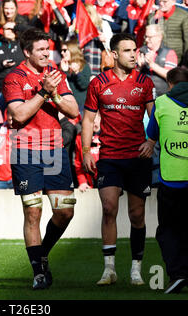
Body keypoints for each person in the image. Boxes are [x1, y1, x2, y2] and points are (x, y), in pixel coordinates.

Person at [3, 28, 79, 289]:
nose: (47, 53)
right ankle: (38, 273)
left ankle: (42, 253)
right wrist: (44, 93)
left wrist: (54, 93)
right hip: (26, 151)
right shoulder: (14, 77)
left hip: (55, 150)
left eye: (48, 48)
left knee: (65, 212)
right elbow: (20, 115)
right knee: (33, 213)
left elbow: (73, 110)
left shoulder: (55, 74)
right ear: (27, 52)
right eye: (41, 49)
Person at [82, 33, 156, 286]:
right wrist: (84, 151)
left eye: (135, 49)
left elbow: (154, 119)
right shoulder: (98, 83)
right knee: (108, 208)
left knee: (137, 215)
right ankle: (109, 269)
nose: (134, 54)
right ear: (114, 54)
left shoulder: (145, 83)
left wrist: (151, 141)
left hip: (138, 158)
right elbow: (88, 120)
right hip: (110, 157)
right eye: (127, 50)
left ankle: (136, 269)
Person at [146, 66, 188, 294]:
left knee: (168, 230)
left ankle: (178, 273)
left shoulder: (161, 104)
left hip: (172, 180)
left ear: (170, 84)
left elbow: (151, 136)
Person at [137, 24, 178, 97]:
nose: (146, 39)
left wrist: (151, 64)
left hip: (162, 96)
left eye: (150, 37)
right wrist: (139, 67)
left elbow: (172, 76)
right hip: (141, 94)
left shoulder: (169, 53)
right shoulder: (139, 51)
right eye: (145, 36)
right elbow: (130, 76)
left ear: (159, 37)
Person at [60, 39, 91, 117]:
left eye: (64, 50)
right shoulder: (61, 66)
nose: (62, 53)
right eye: (61, 50)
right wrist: (63, 72)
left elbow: (84, 85)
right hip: (66, 106)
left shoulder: (84, 65)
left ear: (72, 50)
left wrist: (77, 73)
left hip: (81, 108)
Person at [74, 112, 101, 192]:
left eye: (96, 118)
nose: (94, 121)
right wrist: (82, 182)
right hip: (90, 183)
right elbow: (78, 163)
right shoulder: (79, 137)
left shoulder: (108, 136)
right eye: (91, 119)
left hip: (107, 181)